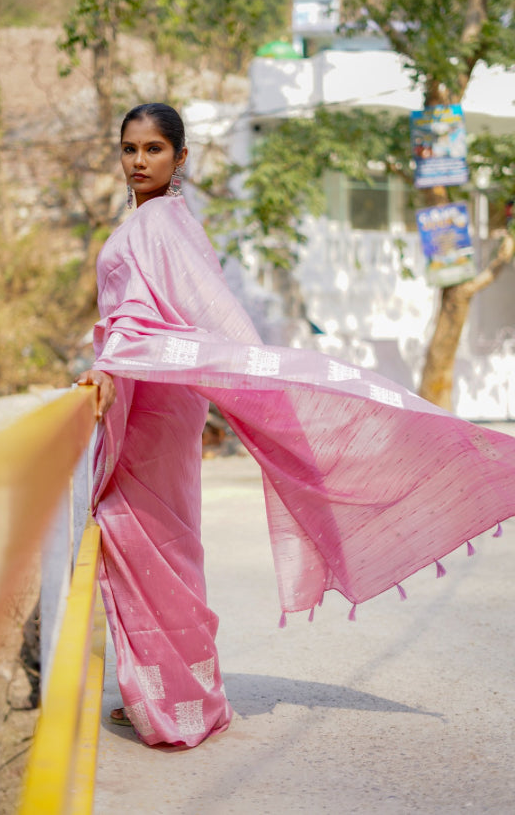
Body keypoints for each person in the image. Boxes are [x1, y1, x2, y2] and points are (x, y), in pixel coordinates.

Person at [78, 102, 515, 749]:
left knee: (145, 539)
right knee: (160, 542)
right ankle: (183, 696)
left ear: (181, 158)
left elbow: (160, 323)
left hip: (152, 403)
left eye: (154, 150)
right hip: (150, 399)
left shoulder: (160, 227)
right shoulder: (166, 223)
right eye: (130, 149)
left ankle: (174, 704)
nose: (139, 161)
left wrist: (112, 359)